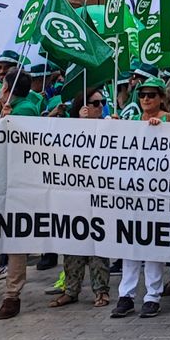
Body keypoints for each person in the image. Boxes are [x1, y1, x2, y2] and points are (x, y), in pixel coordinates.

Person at [112, 79, 170, 319]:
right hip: (133, 191)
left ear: (160, 97)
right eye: (142, 95)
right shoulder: (133, 122)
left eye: (151, 95)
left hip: (159, 191)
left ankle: (152, 295)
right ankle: (126, 295)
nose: (146, 99)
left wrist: (163, 129)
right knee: (130, 243)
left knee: (153, 243)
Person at [52, 89, 113, 309]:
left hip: (99, 196)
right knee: (72, 245)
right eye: (95, 103)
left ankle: (101, 291)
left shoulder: (109, 125)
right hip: (73, 196)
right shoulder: (70, 127)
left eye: (102, 103)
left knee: (98, 246)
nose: (99, 107)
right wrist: (80, 123)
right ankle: (71, 289)